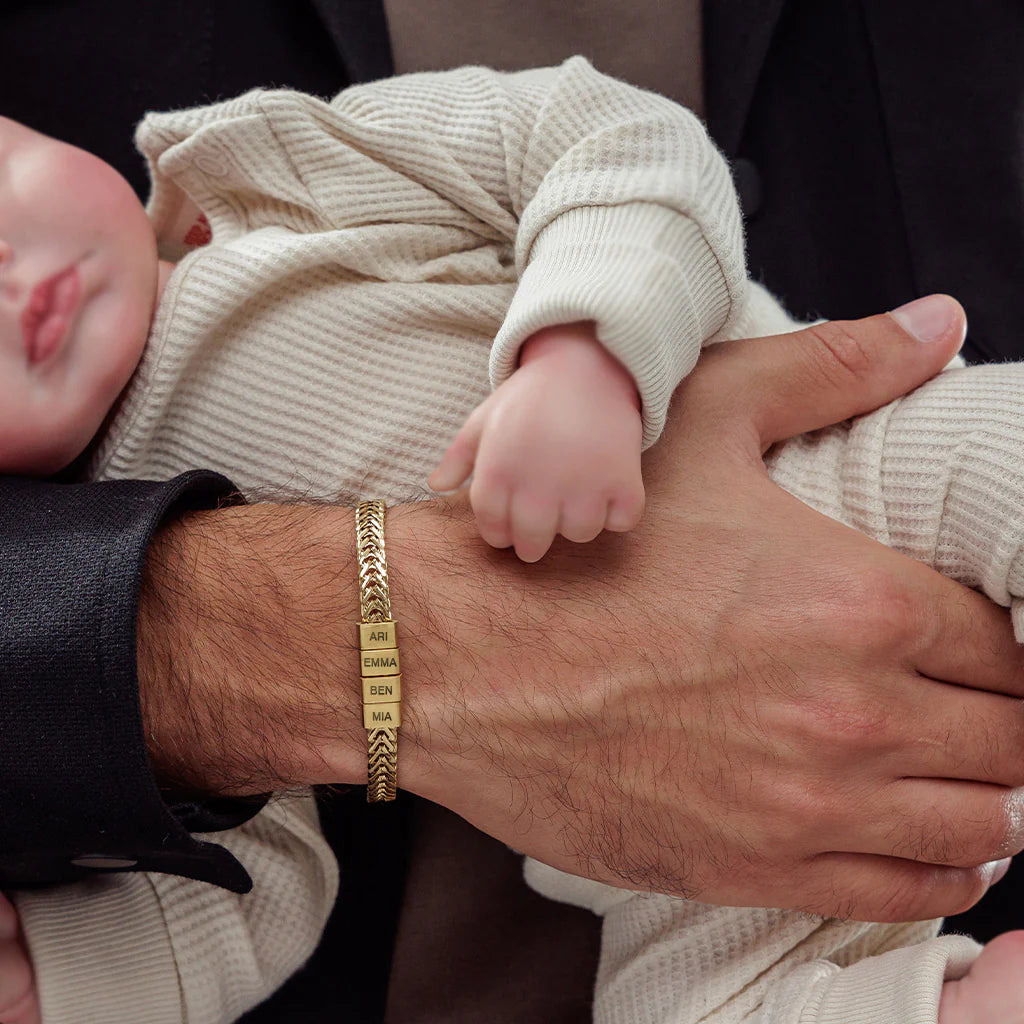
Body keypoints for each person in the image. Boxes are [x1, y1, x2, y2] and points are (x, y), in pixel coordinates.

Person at [0, 3, 1021, 1022]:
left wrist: (584, 348)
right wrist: (70, 972)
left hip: (854, 473)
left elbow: (616, 138)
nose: (7, 284)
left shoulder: (277, 173)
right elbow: (253, 882)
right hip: (675, 818)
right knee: (692, 1006)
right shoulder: (107, 553)